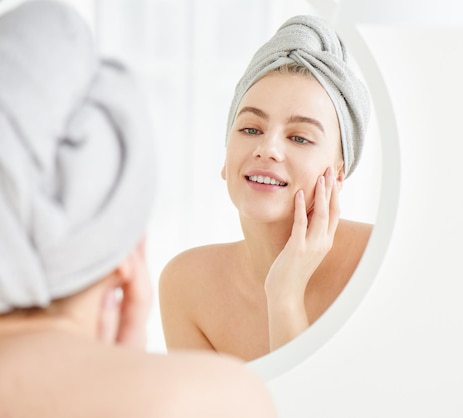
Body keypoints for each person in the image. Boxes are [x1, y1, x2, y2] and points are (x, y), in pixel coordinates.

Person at [0, 2, 276, 417]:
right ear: (124, 253)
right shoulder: (218, 397)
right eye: (250, 128)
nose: (268, 150)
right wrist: (130, 363)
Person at [159, 15, 372, 361]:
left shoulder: (375, 264)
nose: (267, 148)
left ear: (337, 173)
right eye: (250, 129)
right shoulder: (186, 285)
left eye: (300, 137)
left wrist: (285, 296)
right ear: (226, 157)